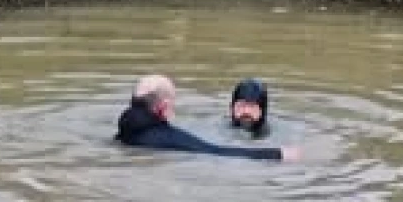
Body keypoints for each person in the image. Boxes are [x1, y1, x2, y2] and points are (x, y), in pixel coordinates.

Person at [116, 74, 299, 161]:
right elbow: (217, 153)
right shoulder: (169, 137)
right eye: (173, 103)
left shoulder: (124, 130)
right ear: (163, 107)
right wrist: (278, 154)